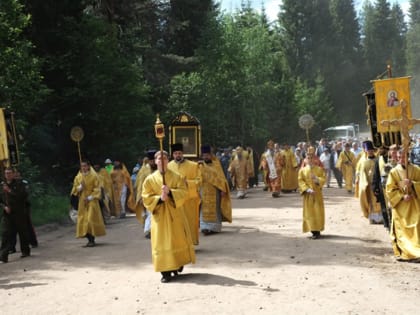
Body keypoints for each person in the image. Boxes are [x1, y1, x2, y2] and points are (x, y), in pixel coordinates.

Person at [142, 150, 196, 283]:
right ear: (155, 161)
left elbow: (184, 192)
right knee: (162, 242)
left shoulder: (177, 176)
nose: (162, 161)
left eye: (165, 159)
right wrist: (160, 198)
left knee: (176, 239)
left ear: (168, 160)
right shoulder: (149, 180)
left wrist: (171, 192)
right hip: (160, 216)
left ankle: (177, 264)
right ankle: (165, 272)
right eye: (159, 159)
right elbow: (146, 197)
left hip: (175, 214)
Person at [386, 149, 420, 261]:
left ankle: (416, 251)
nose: (401, 159)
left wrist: (413, 185)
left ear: (408, 157)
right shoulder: (393, 172)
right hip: (401, 206)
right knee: (402, 230)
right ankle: (405, 251)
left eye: (403, 157)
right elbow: (390, 189)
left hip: (414, 204)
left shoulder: (416, 169)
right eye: (399, 157)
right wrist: (401, 196)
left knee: (416, 227)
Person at [167, 143, 202, 245]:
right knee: (176, 222)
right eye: (175, 153)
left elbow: (199, 180)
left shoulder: (193, 165)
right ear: (172, 155)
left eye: (179, 153)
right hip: (175, 199)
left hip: (189, 199)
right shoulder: (168, 166)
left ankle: (190, 242)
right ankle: (179, 243)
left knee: (190, 221)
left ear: (183, 154)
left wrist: (188, 183)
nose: (178, 155)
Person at [70, 159, 106, 247]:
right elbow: (74, 190)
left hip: (92, 200)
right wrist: (80, 187)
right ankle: (88, 238)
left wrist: (90, 197)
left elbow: (97, 189)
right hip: (82, 201)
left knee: (90, 219)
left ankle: (92, 239)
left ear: (89, 166)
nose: (84, 168)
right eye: (82, 166)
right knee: (83, 220)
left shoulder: (94, 176)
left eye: (85, 166)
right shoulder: (78, 177)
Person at [199, 144, 232, 235]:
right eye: (204, 155)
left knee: (215, 208)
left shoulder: (216, 164)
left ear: (211, 155)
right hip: (203, 190)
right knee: (203, 208)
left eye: (207, 155)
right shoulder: (199, 165)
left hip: (215, 191)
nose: (206, 157)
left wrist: (223, 190)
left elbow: (221, 178)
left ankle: (214, 227)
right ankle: (205, 227)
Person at [1, 167, 31, 263]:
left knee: (22, 232)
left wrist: (9, 191)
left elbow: (22, 196)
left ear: (13, 174)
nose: (8, 175)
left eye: (10, 173)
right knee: (6, 233)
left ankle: (25, 250)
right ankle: (3, 255)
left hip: (19, 212)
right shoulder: (2, 185)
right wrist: (4, 206)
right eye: (6, 173)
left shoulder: (20, 184)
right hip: (8, 213)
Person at [298, 147, 326, 239]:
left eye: (311, 158)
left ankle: (317, 231)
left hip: (317, 194)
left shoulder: (319, 169)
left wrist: (317, 179)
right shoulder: (302, 170)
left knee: (317, 212)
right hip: (308, 195)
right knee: (310, 213)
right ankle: (312, 230)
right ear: (305, 159)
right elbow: (300, 181)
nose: (309, 160)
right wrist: (307, 189)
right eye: (308, 158)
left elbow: (323, 178)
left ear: (314, 159)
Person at [357, 140, 383, 224]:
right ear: (366, 151)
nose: (370, 152)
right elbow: (362, 174)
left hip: (377, 184)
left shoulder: (378, 160)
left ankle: (381, 217)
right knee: (370, 200)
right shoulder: (364, 162)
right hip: (368, 185)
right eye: (369, 150)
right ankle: (372, 218)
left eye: (372, 150)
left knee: (378, 200)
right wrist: (364, 184)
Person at [135, 150, 157, 239]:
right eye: (150, 161)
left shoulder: (160, 167)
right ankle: (148, 230)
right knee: (149, 213)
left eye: (153, 160)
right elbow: (140, 183)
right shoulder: (144, 169)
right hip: (147, 194)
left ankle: (153, 229)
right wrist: (140, 196)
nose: (152, 162)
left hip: (158, 194)